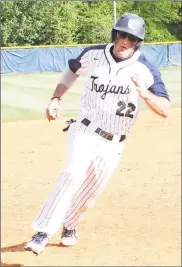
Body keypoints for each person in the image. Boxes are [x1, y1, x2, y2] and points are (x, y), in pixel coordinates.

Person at [24, 13, 170, 255]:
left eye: (132, 38)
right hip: (85, 129)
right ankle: (42, 232)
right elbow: (72, 71)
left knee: (91, 189)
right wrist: (56, 97)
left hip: (115, 142)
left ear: (138, 42)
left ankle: (69, 225)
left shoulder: (145, 69)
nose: (125, 41)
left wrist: (146, 95)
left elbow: (164, 109)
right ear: (115, 34)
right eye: (122, 35)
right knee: (72, 173)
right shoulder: (93, 54)